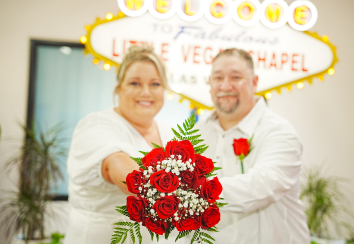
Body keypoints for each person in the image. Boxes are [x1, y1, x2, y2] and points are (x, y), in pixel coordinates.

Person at [64, 45, 182, 244]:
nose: (146, 92)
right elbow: (118, 165)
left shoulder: (171, 133)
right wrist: (176, 195)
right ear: (119, 88)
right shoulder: (96, 125)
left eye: (155, 84)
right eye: (135, 83)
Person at [195, 48, 310, 243]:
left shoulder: (279, 132)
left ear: (254, 82)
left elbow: (261, 186)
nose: (225, 85)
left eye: (236, 77)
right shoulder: (198, 132)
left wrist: (189, 192)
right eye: (218, 78)